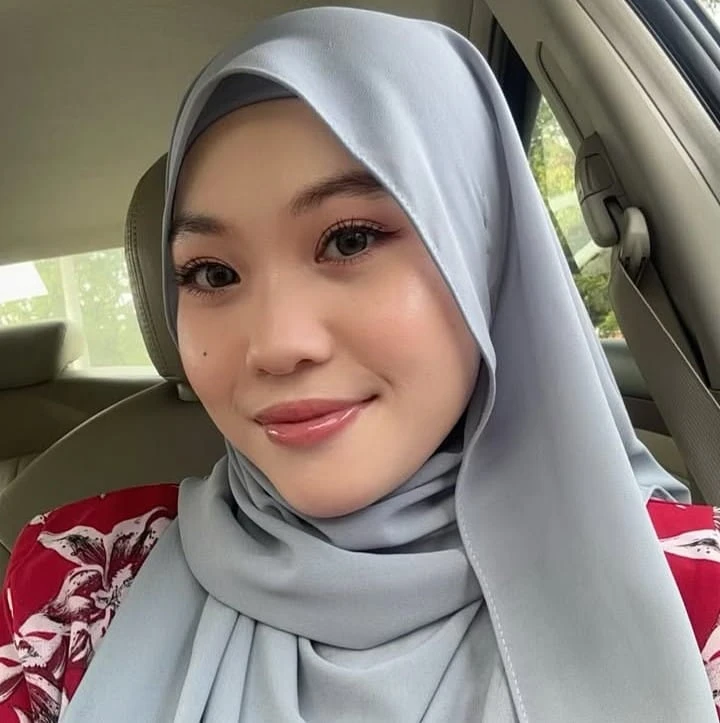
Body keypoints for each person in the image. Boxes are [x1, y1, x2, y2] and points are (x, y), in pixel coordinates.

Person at [0, 7, 719, 722]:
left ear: (482, 253)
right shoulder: (73, 580)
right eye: (213, 274)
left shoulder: (698, 600)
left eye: (349, 240)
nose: (277, 344)